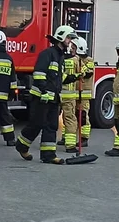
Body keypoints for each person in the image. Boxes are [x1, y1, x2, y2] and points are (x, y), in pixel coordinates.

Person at [16, 25, 75, 164]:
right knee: (37, 124)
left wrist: (74, 77)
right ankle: (21, 145)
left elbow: (58, 77)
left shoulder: (61, 57)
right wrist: (43, 92)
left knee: (52, 125)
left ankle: (48, 155)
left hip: (53, 98)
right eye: (68, 38)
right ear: (61, 37)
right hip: (40, 97)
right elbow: (39, 74)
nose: (70, 41)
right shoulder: (47, 54)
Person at [60, 36, 94, 153]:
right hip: (74, 93)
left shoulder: (88, 60)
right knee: (68, 115)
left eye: (74, 47)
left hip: (83, 94)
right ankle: (66, 137)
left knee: (82, 116)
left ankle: (84, 138)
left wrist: (79, 67)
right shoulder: (74, 59)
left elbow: (88, 73)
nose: (72, 49)